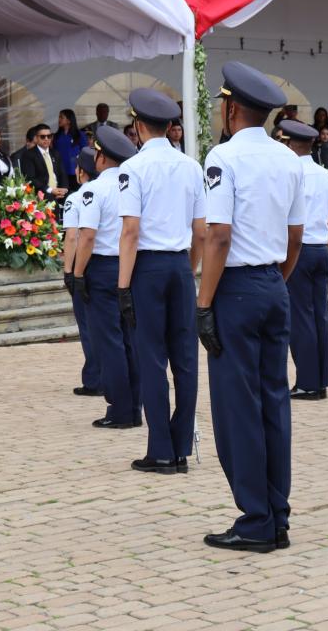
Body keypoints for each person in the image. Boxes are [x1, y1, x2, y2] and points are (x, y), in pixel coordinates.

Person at [197, 62, 304, 553]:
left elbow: (218, 235)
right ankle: (276, 512)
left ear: (231, 107)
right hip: (272, 284)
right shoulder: (288, 159)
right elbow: (296, 236)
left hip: (236, 288)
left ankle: (256, 518)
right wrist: (273, 280)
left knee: (238, 407)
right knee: (273, 402)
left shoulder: (223, 156)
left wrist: (204, 303)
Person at [115, 89, 206, 474]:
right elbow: (200, 231)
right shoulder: (191, 166)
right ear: (171, 127)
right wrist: (189, 267)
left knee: (152, 359)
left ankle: (161, 450)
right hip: (180, 266)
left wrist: (122, 286)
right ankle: (182, 446)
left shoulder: (132, 169)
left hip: (147, 269)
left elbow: (130, 232)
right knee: (185, 360)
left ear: (137, 127)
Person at [72, 126, 141, 430]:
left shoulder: (92, 189)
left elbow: (86, 237)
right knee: (129, 339)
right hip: (129, 266)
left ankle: (120, 408)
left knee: (108, 341)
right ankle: (135, 404)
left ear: (100, 157)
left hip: (100, 268)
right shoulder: (132, 185)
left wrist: (77, 273)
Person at [275, 119, 328, 403]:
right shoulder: (326, 175)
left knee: (300, 318)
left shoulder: (287, 172)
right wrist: (324, 245)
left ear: (289, 144)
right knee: (320, 316)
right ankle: (321, 379)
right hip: (319, 250)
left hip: (298, 250)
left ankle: (307, 383)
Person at [63, 148, 102, 398]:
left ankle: (94, 378)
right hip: (111, 263)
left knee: (88, 326)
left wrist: (69, 271)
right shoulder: (112, 189)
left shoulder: (77, 197)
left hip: (85, 265)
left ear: (81, 171)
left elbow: (72, 236)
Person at [17, 124, 68, 203]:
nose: (46, 139)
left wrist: (64, 189)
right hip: (42, 193)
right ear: (37, 138)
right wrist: (51, 190)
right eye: (43, 137)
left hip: (58, 191)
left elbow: (62, 173)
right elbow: (30, 179)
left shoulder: (55, 153)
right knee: (50, 199)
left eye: (49, 136)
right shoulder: (28, 155)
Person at [52, 109, 88, 182]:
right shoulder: (56, 136)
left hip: (75, 171)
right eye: (59, 117)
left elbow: (85, 152)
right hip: (60, 171)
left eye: (61, 117)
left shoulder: (80, 135)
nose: (59, 119)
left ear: (69, 120)